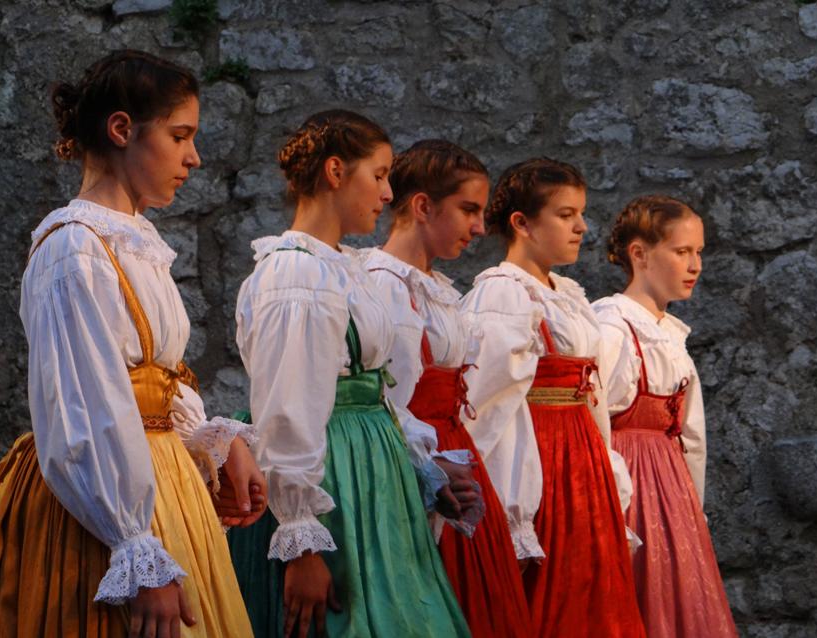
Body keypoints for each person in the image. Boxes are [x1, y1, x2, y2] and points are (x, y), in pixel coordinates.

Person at [0, 50, 264, 638]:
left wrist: (213, 441)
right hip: (106, 511)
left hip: (161, 481)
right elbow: (85, 409)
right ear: (121, 129)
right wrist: (136, 549)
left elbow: (159, 379)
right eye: (180, 135)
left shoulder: (134, 240)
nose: (194, 157)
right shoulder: (74, 250)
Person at [230, 110, 469, 638]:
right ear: (336, 171)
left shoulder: (346, 267)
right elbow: (287, 410)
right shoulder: (296, 272)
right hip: (332, 475)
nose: (388, 193)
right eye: (378, 175)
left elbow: (377, 391)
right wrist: (302, 542)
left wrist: (422, 467)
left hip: (372, 471)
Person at [460, 158, 644, 637]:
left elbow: (592, 399)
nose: (582, 227)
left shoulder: (566, 293)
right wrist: (508, 509)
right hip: (538, 464)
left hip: (582, 460)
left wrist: (607, 468)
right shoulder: (503, 295)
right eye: (565, 215)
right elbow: (486, 409)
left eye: (580, 214)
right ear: (522, 223)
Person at [362, 139, 532, 637]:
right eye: (468, 210)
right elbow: (386, 403)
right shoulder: (384, 285)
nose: (479, 227)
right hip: (409, 463)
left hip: (454, 453)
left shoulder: (434, 288)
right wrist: (429, 469)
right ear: (422, 206)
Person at [593, 195, 738, 638]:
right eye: (681, 252)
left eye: (699, 252)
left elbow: (691, 438)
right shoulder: (612, 329)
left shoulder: (669, 336)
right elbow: (592, 423)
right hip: (631, 487)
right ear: (639, 253)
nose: (695, 265)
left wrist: (692, 509)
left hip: (671, 490)